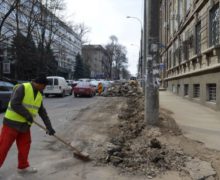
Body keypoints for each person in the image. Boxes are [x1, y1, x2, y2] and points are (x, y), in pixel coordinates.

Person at [0, 75, 56, 174]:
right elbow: (14, 103)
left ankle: (23, 166)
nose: (44, 88)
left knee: (25, 146)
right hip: (11, 124)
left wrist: (49, 127)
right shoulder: (23, 87)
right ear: (39, 84)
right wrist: (27, 115)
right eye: (44, 86)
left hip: (25, 126)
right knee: (3, 147)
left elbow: (42, 112)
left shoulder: (39, 95)